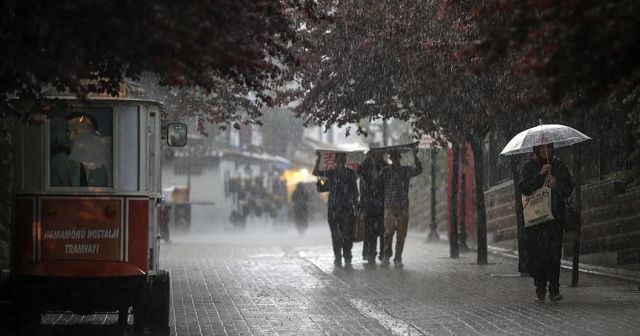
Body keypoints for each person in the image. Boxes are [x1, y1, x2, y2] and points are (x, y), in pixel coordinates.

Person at [519, 143, 573, 302]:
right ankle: (540, 289)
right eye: (541, 147)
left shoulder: (558, 165)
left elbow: (569, 188)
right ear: (536, 149)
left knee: (554, 254)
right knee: (538, 255)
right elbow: (524, 188)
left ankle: (554, 290)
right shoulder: (529, 166)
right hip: (536, 219)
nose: (545, 150)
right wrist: (540, 175)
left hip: (554, 218)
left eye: (548, 147)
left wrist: (557, 185)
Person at [313, 152, 359, 266]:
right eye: (340, 158)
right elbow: (315, 173)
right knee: (336, 234)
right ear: (336, 160)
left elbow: (354, 191)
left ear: (345, 159)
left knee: (347, 233)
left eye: (343, 158)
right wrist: (318, 160)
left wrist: (356, 204)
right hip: (334, 208)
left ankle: (347, 254)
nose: (341, 160)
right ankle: (338, 255)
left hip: (347, 208)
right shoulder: (331, 173)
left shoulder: (350, 173)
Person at [380, 147, 422, 267]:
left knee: (401, 234)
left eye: (396, 157)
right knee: (388, 233)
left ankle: (398, 258)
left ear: (399, 158)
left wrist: (415, 155)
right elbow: (377, 180)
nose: (395, 159)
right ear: (390, 158)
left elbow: (419, 170)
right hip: (390, 207)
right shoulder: (385, 171)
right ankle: (386, 256)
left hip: (402, 207)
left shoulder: (405, 170)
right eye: (392, 157)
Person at [50, 112, 109, 187]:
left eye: (76, 131)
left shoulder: (100, 169)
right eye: (67, 131)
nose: (70, 137)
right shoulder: (58, 162)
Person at [359, 151, 388, 264]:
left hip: (381, 203)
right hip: (369, 203)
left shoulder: (384, 166)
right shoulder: (366, 165)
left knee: (382, 230)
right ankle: (370, 253)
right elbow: (362, 182)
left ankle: (382, 253)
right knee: (370, 230)